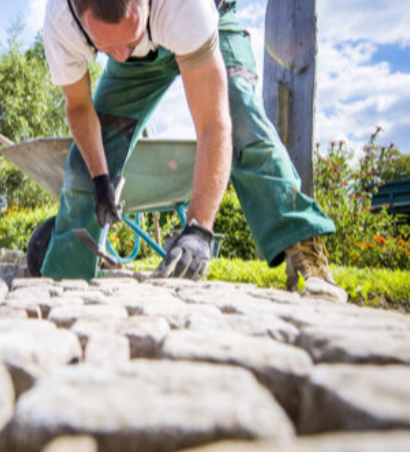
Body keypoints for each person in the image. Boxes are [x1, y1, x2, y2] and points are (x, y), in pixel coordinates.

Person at [40, 0, 347, 302]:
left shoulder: (186, 7)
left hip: (210, 22)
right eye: (106, 48)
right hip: (138, 63)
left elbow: (213, 125)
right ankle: (63, 281)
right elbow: (79, 107)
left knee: (240, 114)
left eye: (128, 40)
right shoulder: (62, 21)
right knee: (86, 164)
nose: (118, 55)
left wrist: (199, 229)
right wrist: (99, 179)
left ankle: (304, 249)